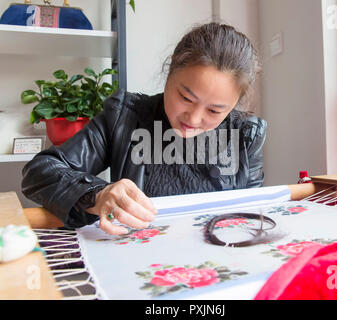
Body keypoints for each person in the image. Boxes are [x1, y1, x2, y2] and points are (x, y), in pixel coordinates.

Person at [22, 22, 266, 236]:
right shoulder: (124, 117)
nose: (193, 118)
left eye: (214, 111)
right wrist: (96, 195)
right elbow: (40, 171)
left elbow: (250, 211)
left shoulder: (245, 135)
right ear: (170, 71)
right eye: (185, 98)